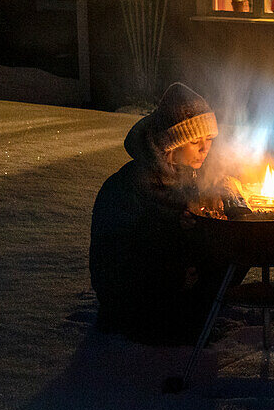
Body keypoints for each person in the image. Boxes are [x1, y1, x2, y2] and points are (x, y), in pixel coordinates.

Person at [89, 82, 241, 345]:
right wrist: (171, 270)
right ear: (171, 144)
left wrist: (231, 204)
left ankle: (198, 312)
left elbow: (222, 194)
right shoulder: (129, 187)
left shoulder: (195, 173)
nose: (205, 150)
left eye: (209, 140)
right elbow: (114, 258)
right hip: (135, 303)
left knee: (240, 240)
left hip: (181, 286)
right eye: (195, 142)